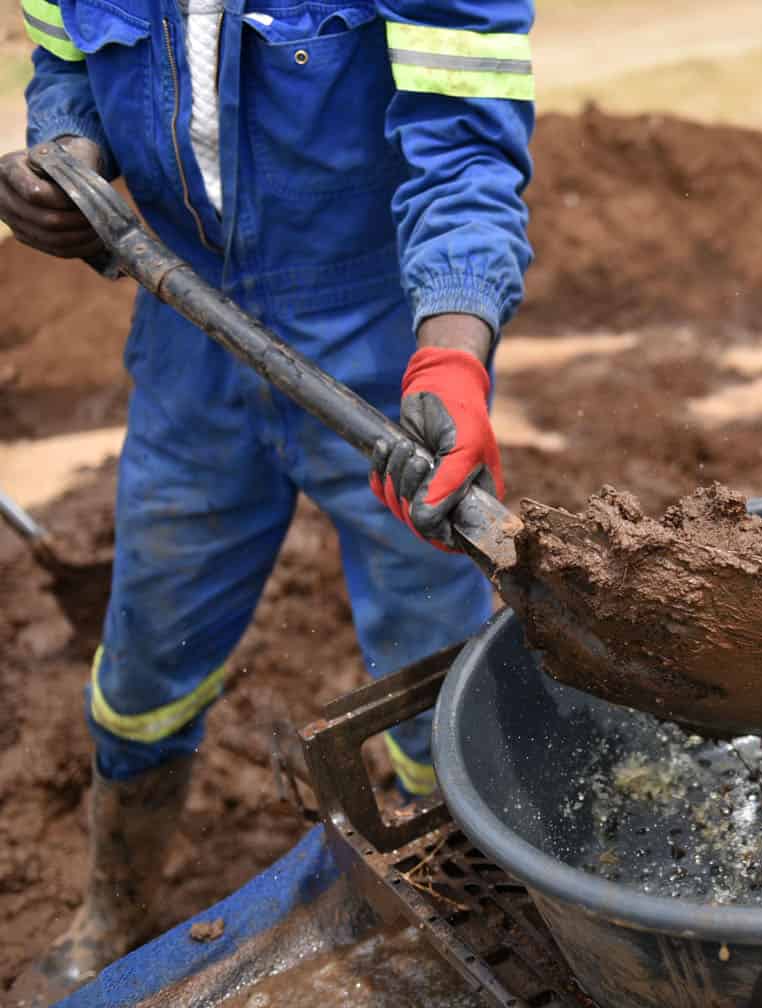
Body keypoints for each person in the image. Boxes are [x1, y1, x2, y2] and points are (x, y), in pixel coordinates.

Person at [1, 0, 533, 996]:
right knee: (147, 653)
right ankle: (116, 901)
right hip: (189, 339)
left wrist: (453, 353)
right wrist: (65, 151)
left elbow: (462, 139)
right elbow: (65, 59)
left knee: (442, 666)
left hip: (376, 348)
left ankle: (476, 900)